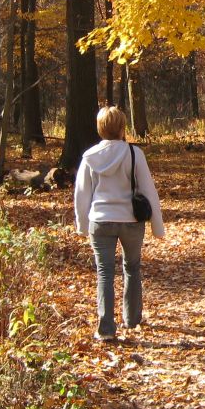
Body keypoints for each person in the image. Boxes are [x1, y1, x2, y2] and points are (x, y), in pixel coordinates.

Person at [74, 106, 165, 342]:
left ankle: (106, 328)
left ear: (100, 127)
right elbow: (148, 190)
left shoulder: (90, 157)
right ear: (122, 127)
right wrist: (157, 226)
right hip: (131, 221)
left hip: (100, 221)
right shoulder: (134, 154)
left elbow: (82, 194)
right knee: (132, 268)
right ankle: (132, 319)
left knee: (104, 273)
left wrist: (82, 225)